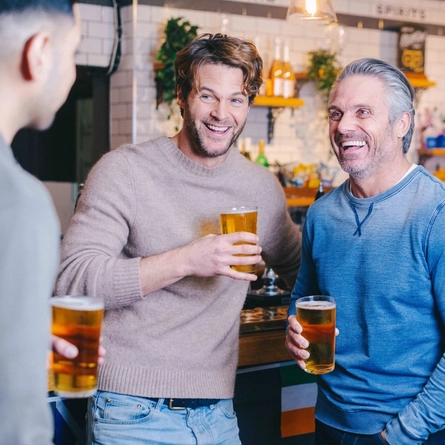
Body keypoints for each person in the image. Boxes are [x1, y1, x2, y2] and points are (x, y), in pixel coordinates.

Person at [55, 33, 301, 445]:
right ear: (183, 97)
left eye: (236, 100)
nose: (222, 113)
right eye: (208, 96)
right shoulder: (124, 172)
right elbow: (73, 280)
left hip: (218, 415)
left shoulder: (260, 187)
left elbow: (304, 271)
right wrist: (185, 260)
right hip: (130, 412)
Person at [285, 57, 445, 445]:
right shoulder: (322, 215)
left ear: (402, 123)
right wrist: (294, 332)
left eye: (363, 112)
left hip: (409, 431)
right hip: (327, 422)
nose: (343, 127)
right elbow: (302, 298)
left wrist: (403, 433)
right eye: (336, 114)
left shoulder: (434, 211)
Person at [0, 1, 81, 444]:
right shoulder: (19, 200)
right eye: (72, 53)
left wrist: (21, 334)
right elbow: (14, 425)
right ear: (39, 53)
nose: (70, 74)